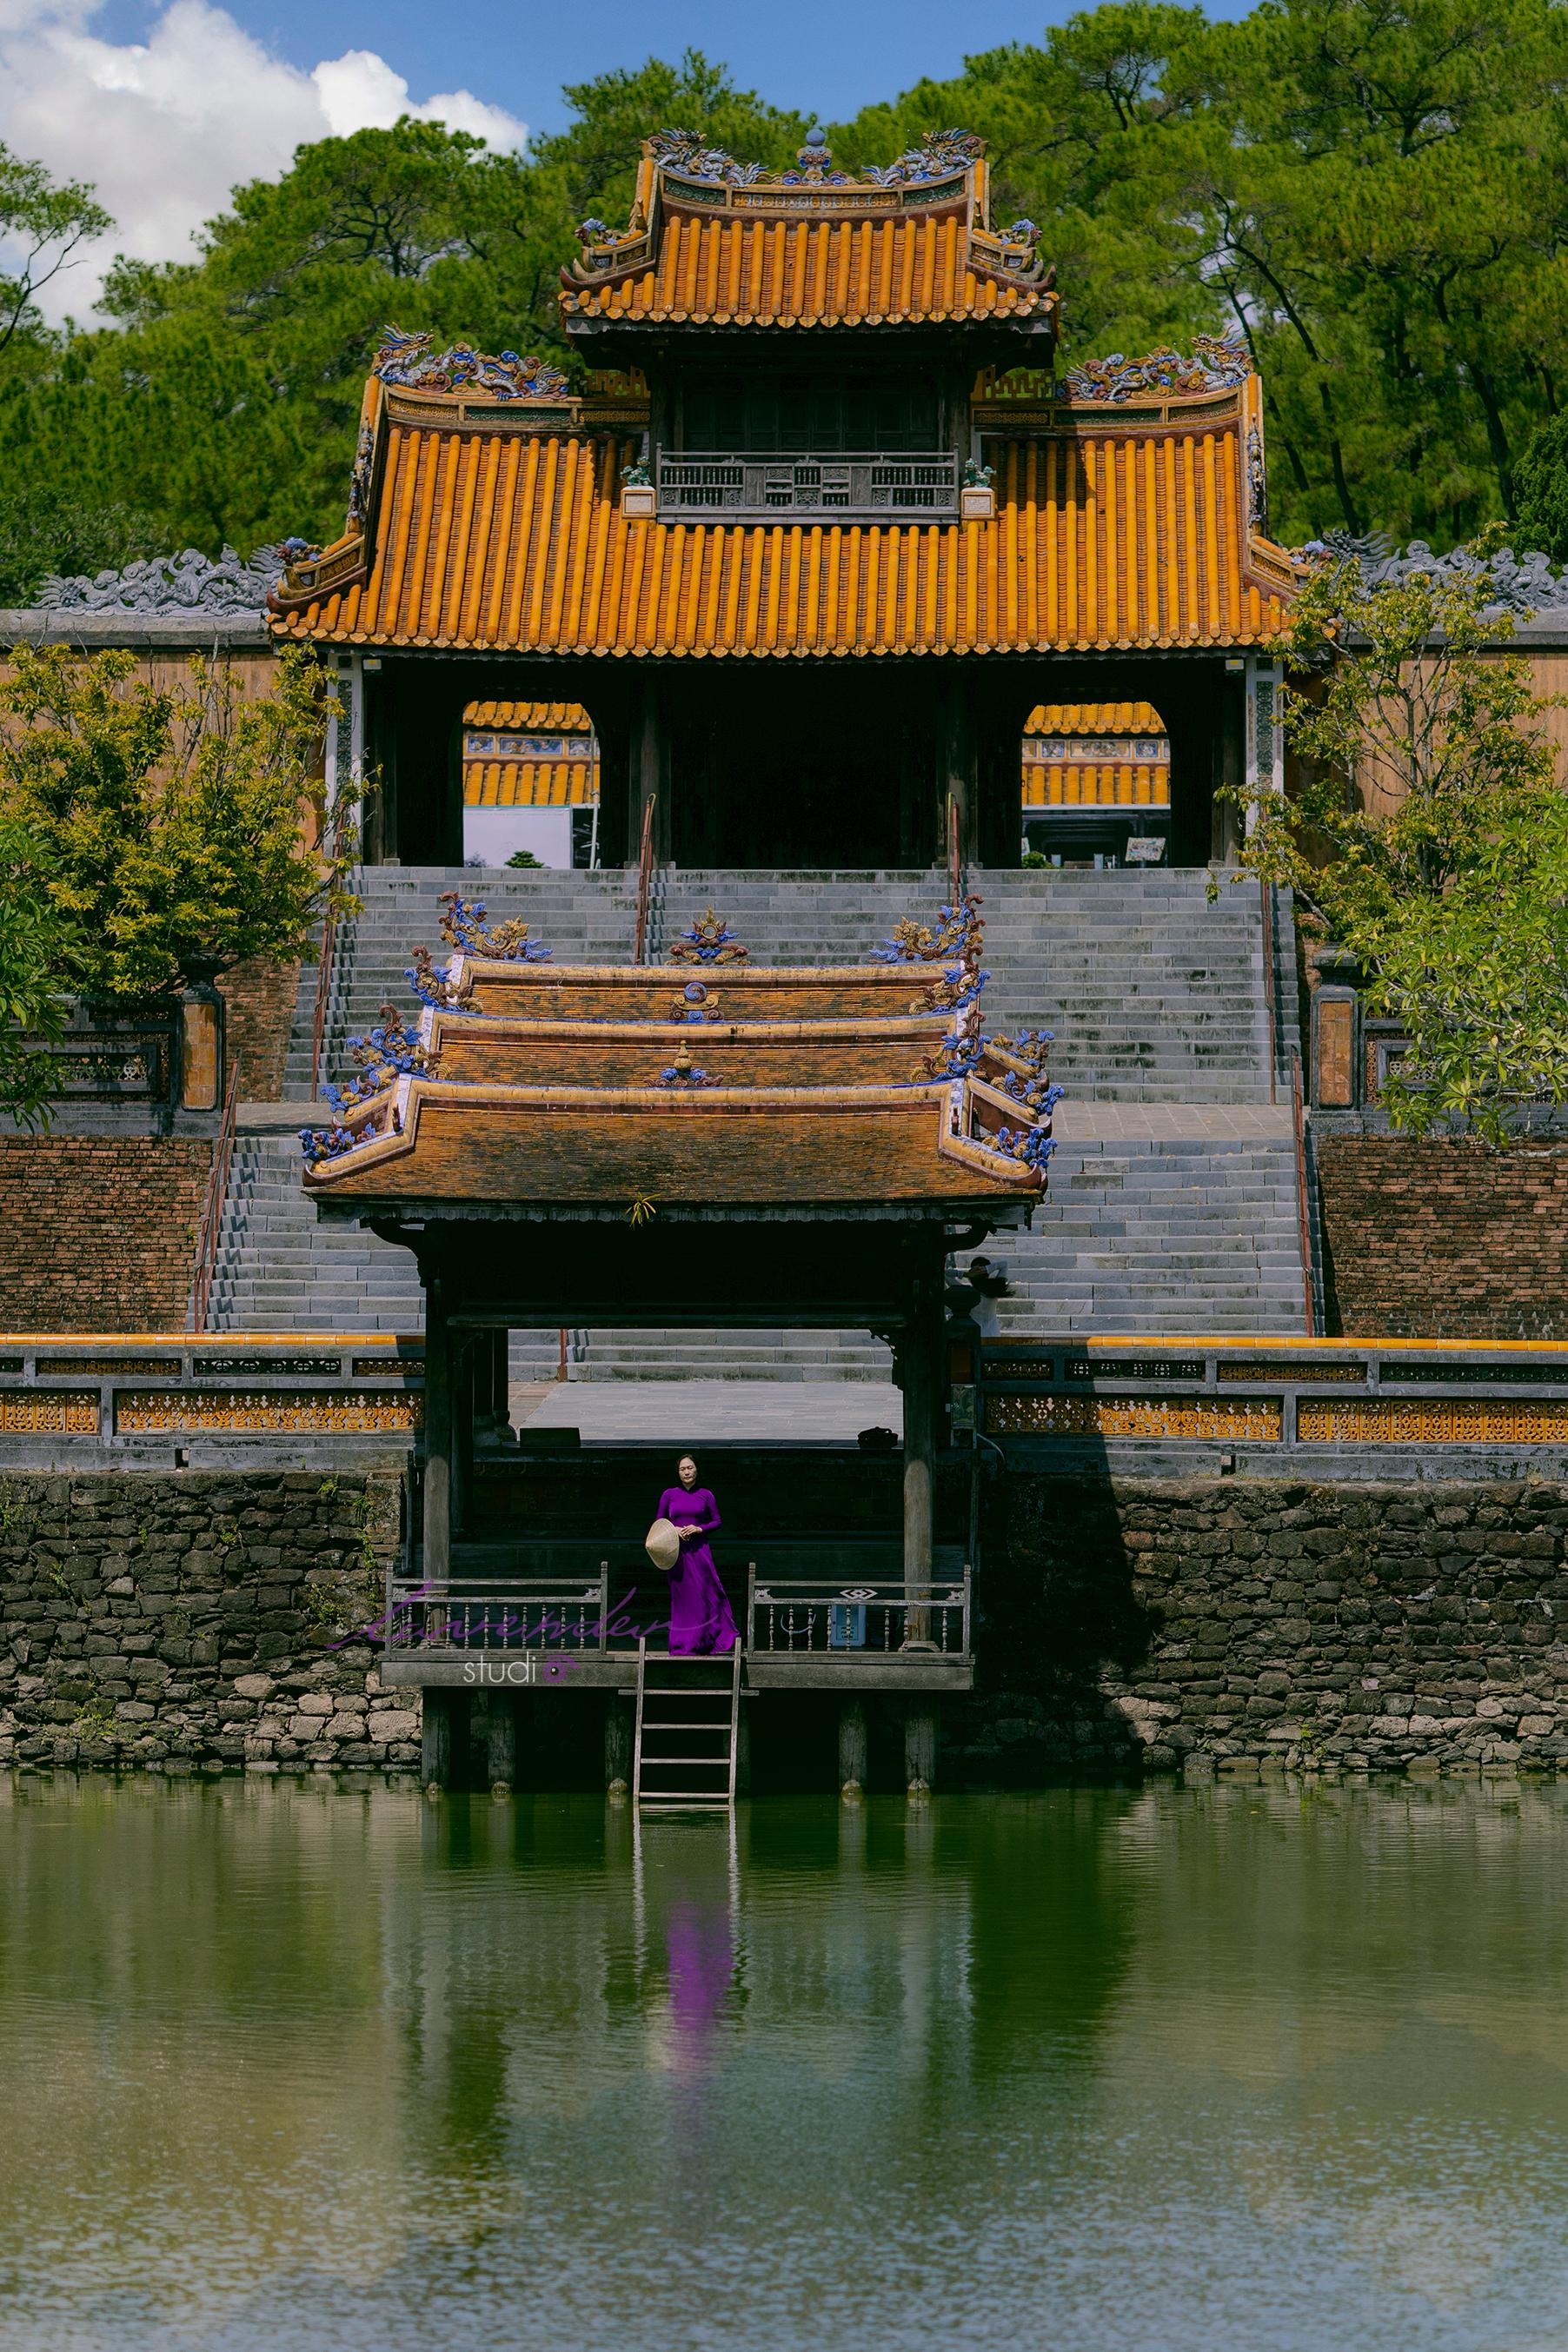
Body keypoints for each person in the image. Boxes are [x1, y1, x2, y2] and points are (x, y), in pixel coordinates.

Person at [655, 1454, 737, 1656]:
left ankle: (705, 1641)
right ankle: (681, 1644)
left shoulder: (706, 1495)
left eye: (690, 1468)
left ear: (696, 1470)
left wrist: (699, 1529)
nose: (686, 1472)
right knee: (682, 1599)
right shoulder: (669, 1494)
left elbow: (717, 1521)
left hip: (700, 1551)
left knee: (706, 1593)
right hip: (677, 1553)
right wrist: (674, 1530)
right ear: (678, 1473)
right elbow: (659, 1522)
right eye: (682, 1469)